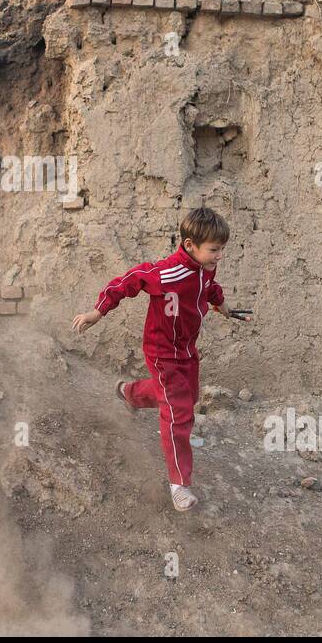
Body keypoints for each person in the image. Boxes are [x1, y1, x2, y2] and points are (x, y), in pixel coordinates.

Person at [71, 207, 232, 512]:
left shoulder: (206, 267)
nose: (219, 256)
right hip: (162, 353)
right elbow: (126, 282)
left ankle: (129, 393)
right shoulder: (166, 272)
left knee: (187, 397)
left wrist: (222, 305)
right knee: (178, 415)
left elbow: (209, 287)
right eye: (214, 249)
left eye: (221, 249)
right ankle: (179, 485)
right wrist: (97, 312)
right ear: (189, 246)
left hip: (186, 349)